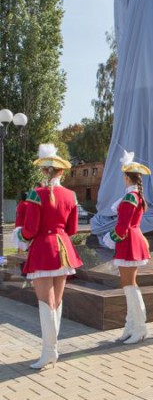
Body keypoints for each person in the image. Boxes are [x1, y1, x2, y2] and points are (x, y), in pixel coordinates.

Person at [16, 144, 82, 370]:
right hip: (63, 249)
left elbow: (30, 229)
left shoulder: (37, 194)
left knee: (46, 302)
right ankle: (52, 351)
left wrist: (19, 235)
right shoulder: (71, 195)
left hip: (44, 249)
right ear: (62, 171)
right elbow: (72, 229)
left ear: (44, 171)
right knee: (57, 301)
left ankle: (49, 352)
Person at [102, 151, 151, 345]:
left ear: (126, 177)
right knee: (129, 285)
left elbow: (122, 227)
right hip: (131, 239)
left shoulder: (130, 197)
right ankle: (131, 327)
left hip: (129, 241)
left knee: (130, 286)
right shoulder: (135, 196)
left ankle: (139, 328)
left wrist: (110, 237)